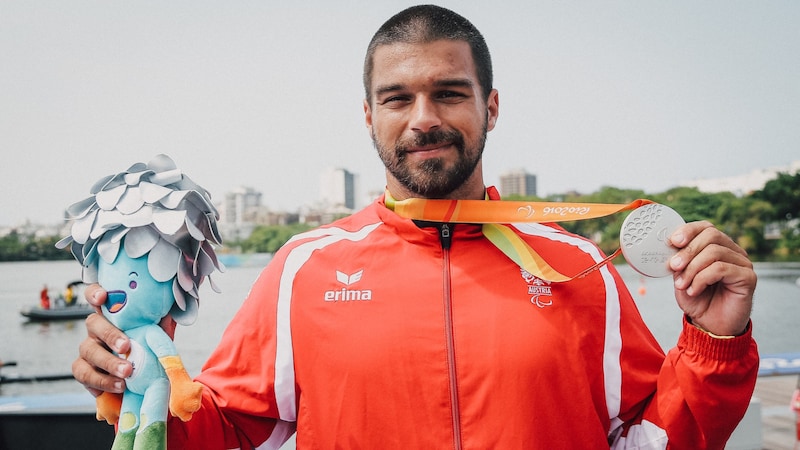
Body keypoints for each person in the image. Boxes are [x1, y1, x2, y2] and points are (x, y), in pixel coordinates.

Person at [72, 5, 758, 449]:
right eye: (397, 98)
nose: (423, 117)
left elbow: (662, 442)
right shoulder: (302, 270)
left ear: (490, 106)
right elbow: (227, 438)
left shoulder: (581, 269)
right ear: (369, 117)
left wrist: (715, 339)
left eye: (449, 93)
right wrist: (134, 375)